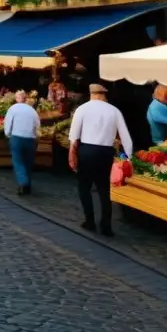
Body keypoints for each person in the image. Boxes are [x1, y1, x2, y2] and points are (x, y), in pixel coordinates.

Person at [68, 84, 133, 237]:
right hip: (105, 151)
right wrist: (128, 159)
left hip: (87, 150)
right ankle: (106, 226)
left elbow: (74, 135)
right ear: (104, 95)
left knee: (84, 186)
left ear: (92, 94)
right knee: (104, 189)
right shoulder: (114, 111)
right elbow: (125, 137)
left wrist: (72, 153)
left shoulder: (82, 109)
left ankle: (89, 221)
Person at [4, 90, 41, 195]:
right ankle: (28, 184)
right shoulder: (32, 111)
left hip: (17, 137)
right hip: (31, 139)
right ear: (25, 99)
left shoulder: (13, 109)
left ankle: (23, 182)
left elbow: (8, 124)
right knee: (28, 162)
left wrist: (8, 134)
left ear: (16, 98)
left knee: (18, 161)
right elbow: (37, 125)